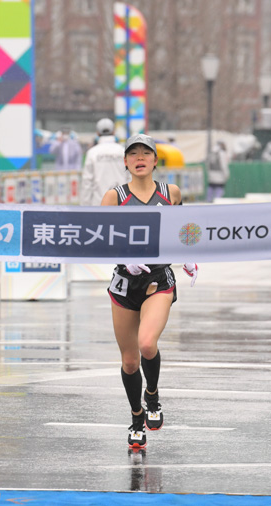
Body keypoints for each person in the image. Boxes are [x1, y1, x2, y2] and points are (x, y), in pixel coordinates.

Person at [101, 133, 198, 449]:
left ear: (156, 160)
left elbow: (184, 230)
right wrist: (124, 260)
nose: (140, 158)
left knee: (146, 344)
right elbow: (100, 240)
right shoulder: (114, 197)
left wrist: (189, 256)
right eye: (133, 154)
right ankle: (136, 418)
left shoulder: (171, 192)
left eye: (146, 153)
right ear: (125, 162)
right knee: (129, 362)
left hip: (158, 280)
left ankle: (152, 396)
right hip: (125, 283)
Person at [80, 118, 130, 206]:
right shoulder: (123, 151)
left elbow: (87, 183)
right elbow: (130, 178)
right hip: (121, 203)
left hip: (98, 204)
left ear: (97, 133)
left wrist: (85, 206)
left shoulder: (92, 153)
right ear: (114, 132)